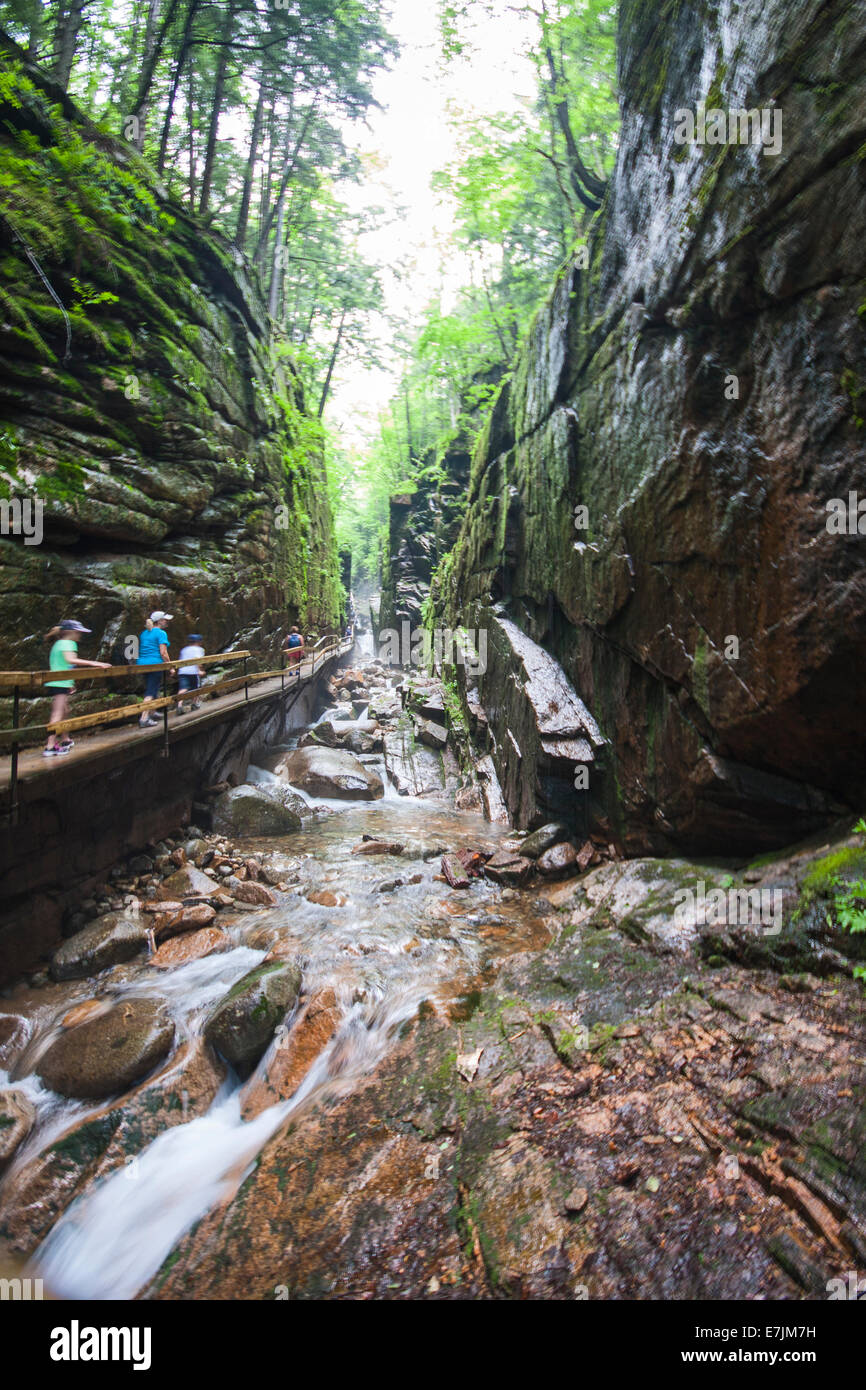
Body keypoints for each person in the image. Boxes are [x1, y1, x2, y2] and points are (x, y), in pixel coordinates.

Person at [43, 620, 111, 757]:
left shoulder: (58, 643)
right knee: (57, 714)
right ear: (71, 632)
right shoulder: (69, 643)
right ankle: (50, 746)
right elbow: (71, 660)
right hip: (60, 683)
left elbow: (61, 665)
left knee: (65, 711)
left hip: (58, 682)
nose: (80, 635)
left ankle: (65, 739)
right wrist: (96, 663)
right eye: (79, 632)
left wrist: (70, 683)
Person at [137, 609, 172, 727]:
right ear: (160, 621)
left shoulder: (144, 633)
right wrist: (170, 666)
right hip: (155, 664)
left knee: (152, 688)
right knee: (150, 691)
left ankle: (152, 712)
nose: (167, 622)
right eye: (165, 620)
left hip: (142, 664)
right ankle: (144, 718)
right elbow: (163, 653)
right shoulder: (161, 633)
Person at [176, 633, 205, 714]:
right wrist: (200, 670)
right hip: (193, 672)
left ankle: (179, 705)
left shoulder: (184, 650)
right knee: (196, 688)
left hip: (182, 671)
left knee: (183, 689)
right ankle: (194, 704)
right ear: (198, 642)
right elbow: (198, 660)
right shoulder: (199, 649)